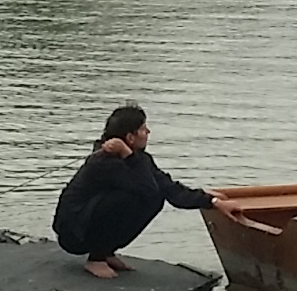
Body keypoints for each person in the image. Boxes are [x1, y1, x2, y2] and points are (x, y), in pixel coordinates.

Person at [54, 103, 214, 278]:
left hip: (86, 225)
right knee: (131, 198)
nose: (148, 132)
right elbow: (145, 189)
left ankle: (106, 252)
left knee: (154, 198)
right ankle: (96, 258)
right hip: (73, 234)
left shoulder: (139, 159)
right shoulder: (105, 161)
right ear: (130, 137)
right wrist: (128, 155)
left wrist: (210, 200)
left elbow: (168, 188)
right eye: (144, 129)